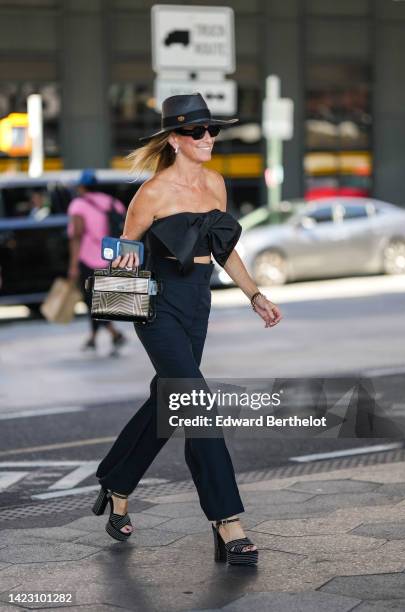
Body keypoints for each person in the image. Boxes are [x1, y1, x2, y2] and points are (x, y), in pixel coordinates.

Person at [92, 93, 283, 565]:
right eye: (197, 132)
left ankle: (116, 482)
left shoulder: (216, 185)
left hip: (199, 302)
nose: (208, 138)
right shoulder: (152, 194)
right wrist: (120, 291)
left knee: (170, 401)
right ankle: (227, 521)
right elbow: (122, 253)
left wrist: (254, 294)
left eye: (212, 130)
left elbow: (224, 250)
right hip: (159, 306)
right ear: (175, 140)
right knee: (197, 405)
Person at [67, 169, 127, 354]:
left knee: (92, 302)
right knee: (101, 300)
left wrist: (73, 265)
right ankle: (93, 339)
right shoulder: (112, 202)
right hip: (110, 257)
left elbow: (76, 235)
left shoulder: (78, 204)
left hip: (88, 258)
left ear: (82, 186)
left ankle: (115, 334)